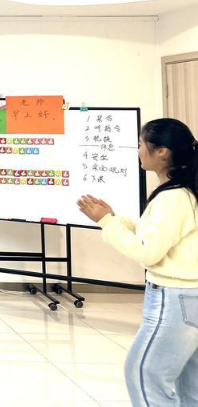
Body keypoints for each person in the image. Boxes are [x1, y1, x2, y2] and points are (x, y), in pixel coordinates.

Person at [77, 118, 198, 406]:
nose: (138, 151)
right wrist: (112, 218)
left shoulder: (173, 197)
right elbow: (155, 233)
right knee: (189, 384)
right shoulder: (186, 191)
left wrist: (106, 222)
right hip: (190, 297)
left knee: (144, 375)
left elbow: (147, 251)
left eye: (141, 144)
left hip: (174, 299)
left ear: (162, 151)